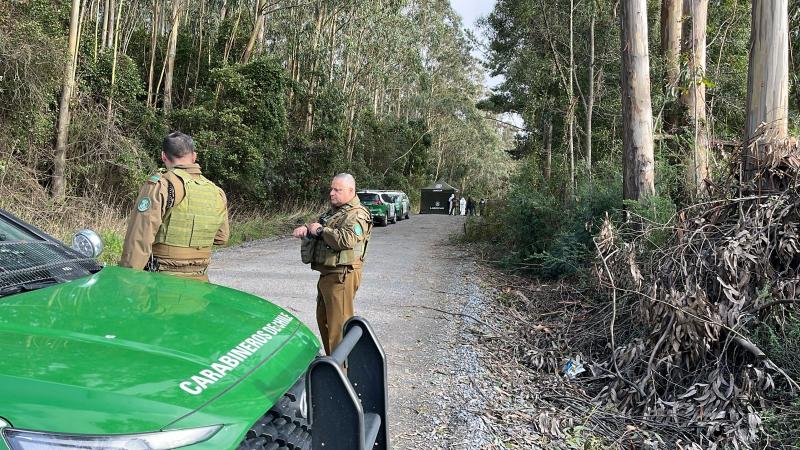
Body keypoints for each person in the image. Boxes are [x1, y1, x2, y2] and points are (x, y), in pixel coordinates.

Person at [120, 132, 229, 282]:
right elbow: (221, 237)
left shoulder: (161, 186)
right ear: (194, 156)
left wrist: (127, 282)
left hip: (163, 283)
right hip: (201, 284)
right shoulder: (216, 192)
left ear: (164, 156)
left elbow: (139, 239)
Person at [293, 173, 372, 355]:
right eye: (332, 189)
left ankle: (341, 374)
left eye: (337, 190)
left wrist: (320, 230)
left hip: (342, 276)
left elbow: (347, 240)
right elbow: (320, 227)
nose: (332, 193)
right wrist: (308, 229)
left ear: (351, 191)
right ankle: (333, 363)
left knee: (339, 329)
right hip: (328, 275)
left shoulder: (357, 214)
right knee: (325, 321)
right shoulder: (335, 211)